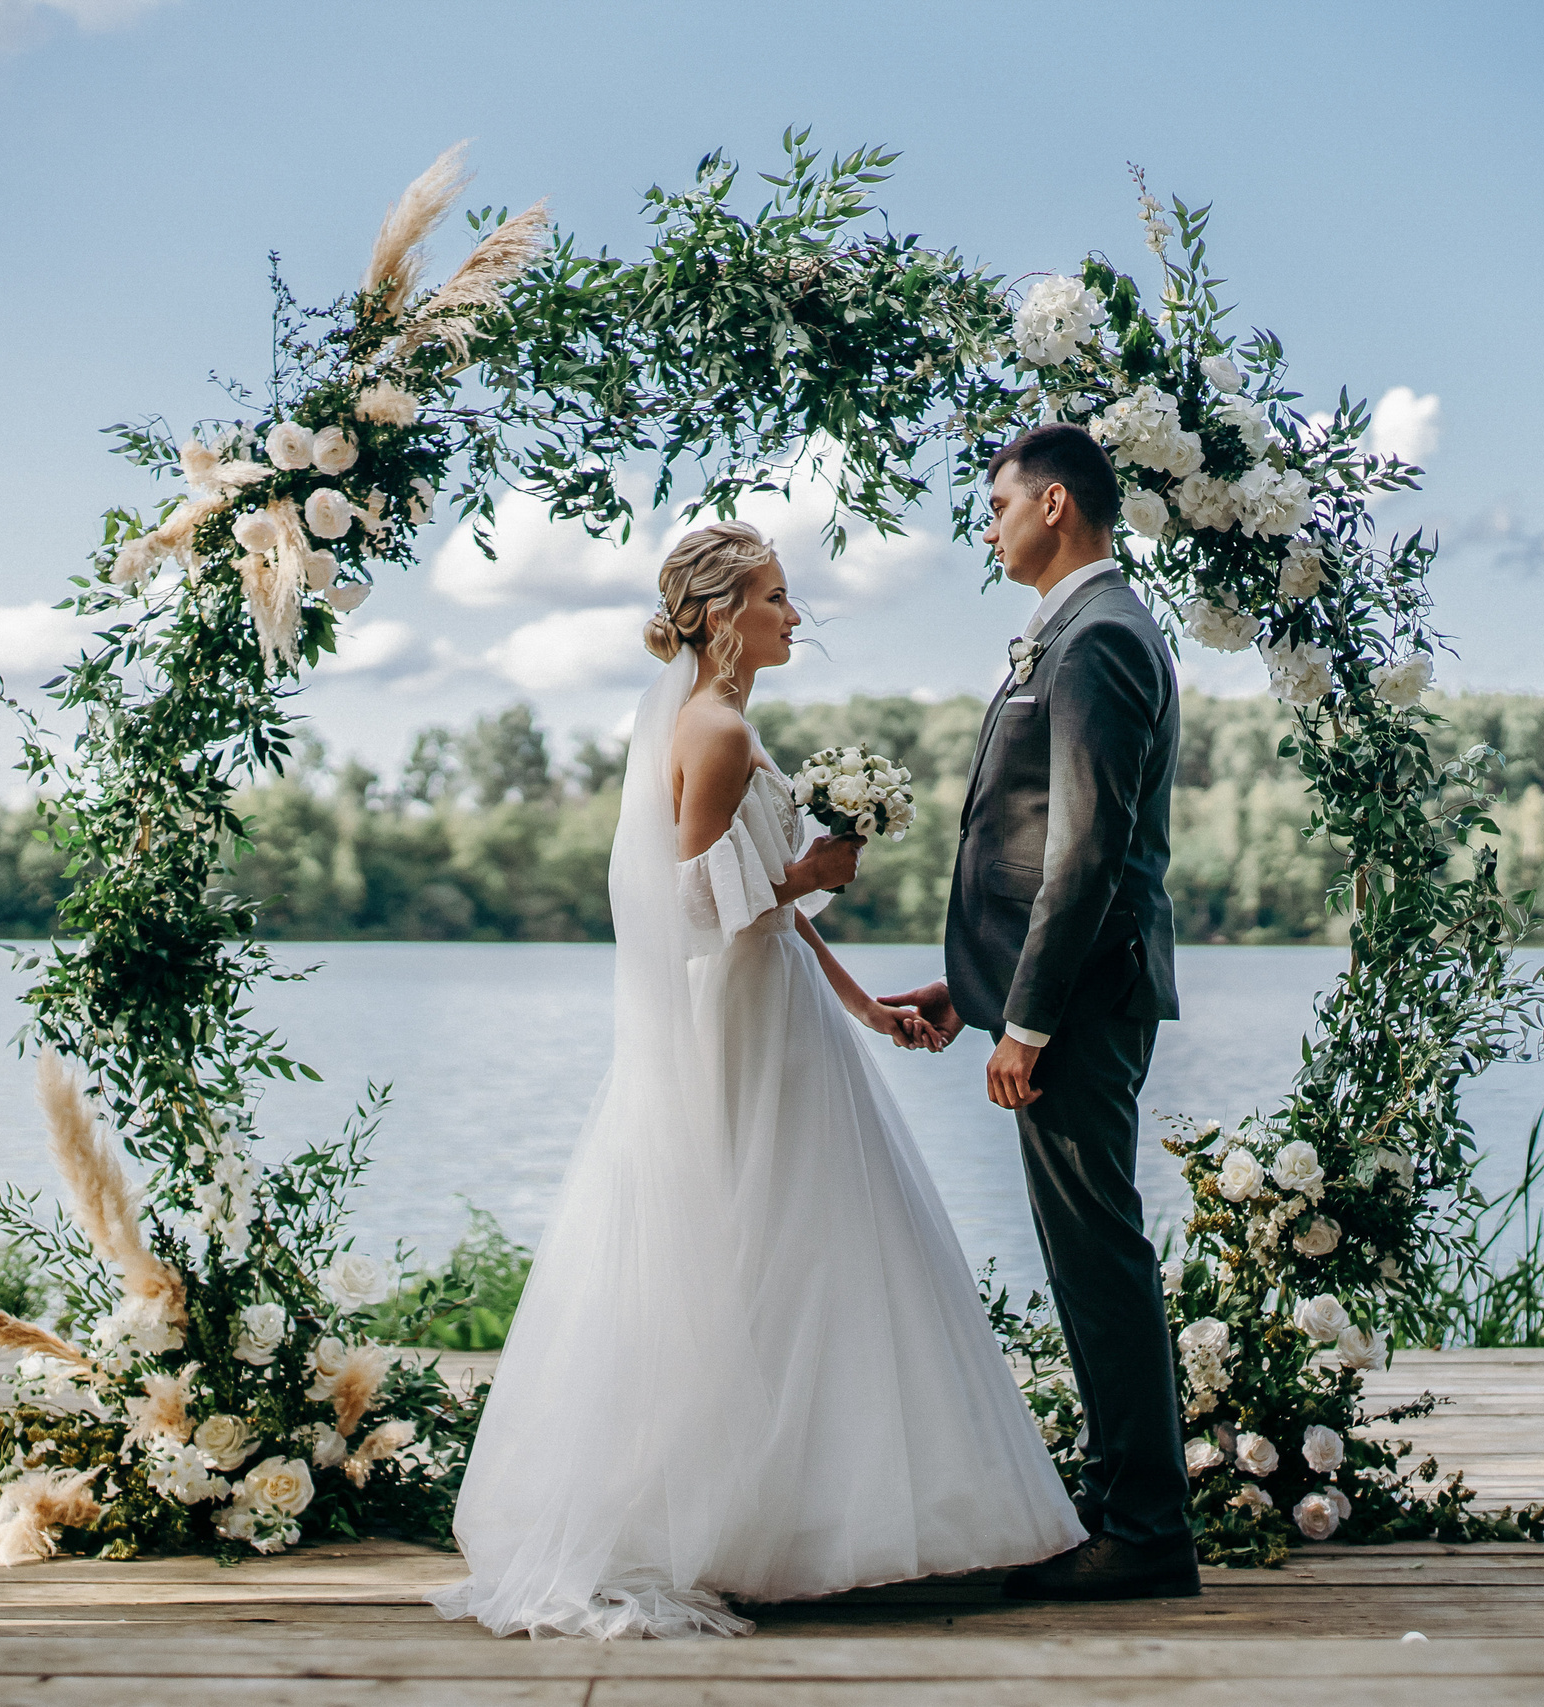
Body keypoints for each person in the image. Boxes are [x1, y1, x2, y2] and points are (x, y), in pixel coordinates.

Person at [430, 520, 1082, 1640]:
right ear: (723, 612)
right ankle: (743, 1520)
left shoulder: (729, 725)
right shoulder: (716, 732)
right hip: (735, 1026)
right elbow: (684, 912)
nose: (795, 617)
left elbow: (762, 919)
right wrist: (812, 872)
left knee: (806, 1244)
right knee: (757, 1240)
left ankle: (804, 1513)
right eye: (777, 597)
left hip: (775, 1007)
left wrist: (862, 1001)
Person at [878, 425, 1195, 1600]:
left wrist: (1030, 1024)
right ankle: (1126, 1509)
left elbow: (1088, 848)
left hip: (1085, 1004)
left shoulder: (1101, 634)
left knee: (1096, 1257)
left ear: (1055, 504)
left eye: (999, 502)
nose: (990, 523)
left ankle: (1144, 1536)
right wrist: (975, 997)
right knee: (1083, 1254)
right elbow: (1029, 846)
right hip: (1056, 996)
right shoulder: (1077, 628)